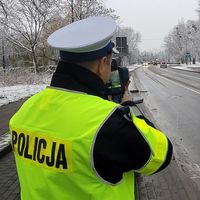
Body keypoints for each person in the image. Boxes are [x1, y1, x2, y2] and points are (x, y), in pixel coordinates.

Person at [9, 16, 172, 200]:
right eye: (110, 63)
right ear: (103, 62)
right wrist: (127, 107)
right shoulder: (108, 123)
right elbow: (162, 154)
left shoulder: (24, 111)